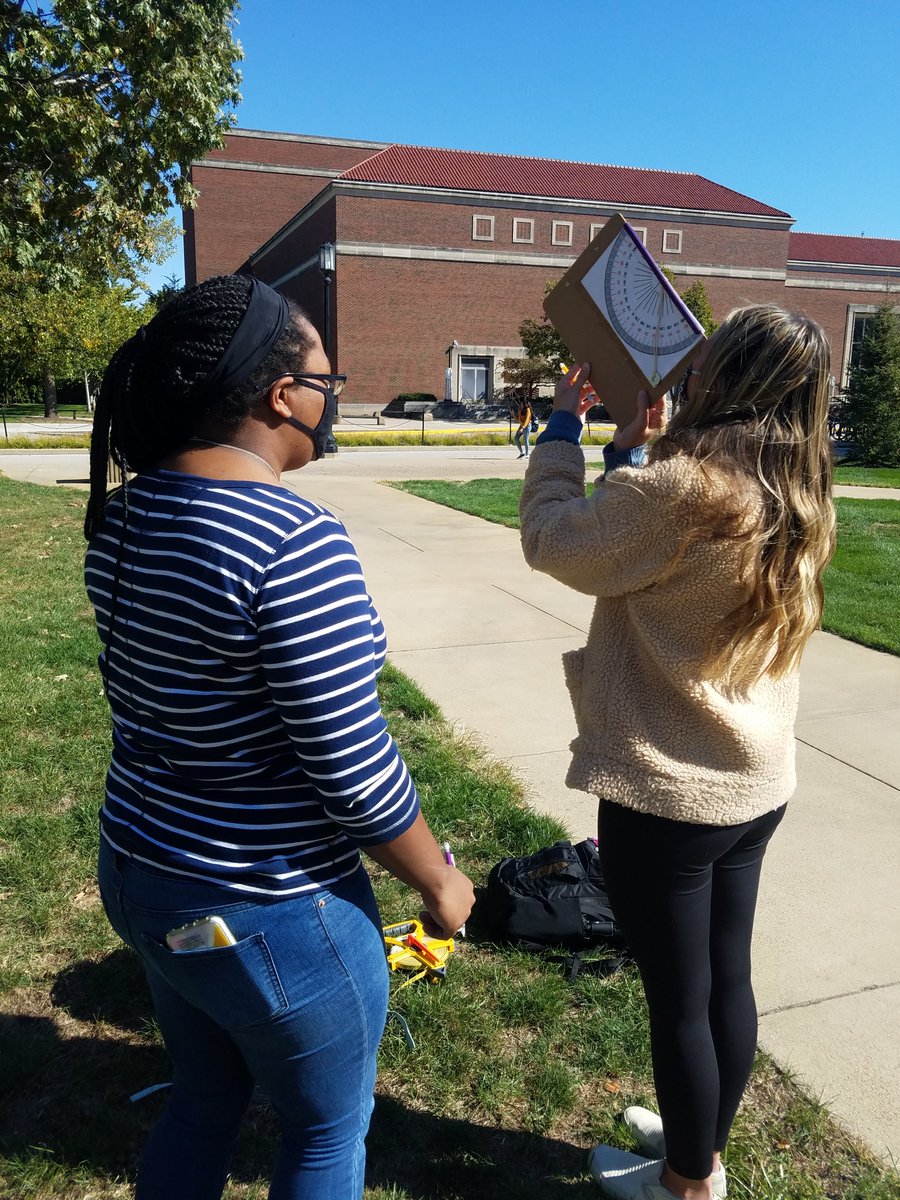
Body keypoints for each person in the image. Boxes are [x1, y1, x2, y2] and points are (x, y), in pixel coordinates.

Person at [84, 274, 475, 1200]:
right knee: (327, 1131)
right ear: (280, 394)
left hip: (141, 871)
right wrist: (439, 881)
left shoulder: (125, 513)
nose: (330, 397)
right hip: (266, 905)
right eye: (325, 378)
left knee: (202, 1098)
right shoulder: (294, 538)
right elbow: (354, 770)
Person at [519, 305, 835, 1200]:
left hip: (669, 790)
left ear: (726, 373)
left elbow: (555, 540)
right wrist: (628, 453)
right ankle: (703, 1146)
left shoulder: (690, 488)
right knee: (725, 980)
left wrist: (564, 429)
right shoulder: (796, 492)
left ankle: (687, 1183)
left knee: (679, 1001)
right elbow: (642, 552)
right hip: (753, 782)